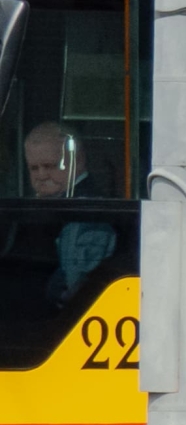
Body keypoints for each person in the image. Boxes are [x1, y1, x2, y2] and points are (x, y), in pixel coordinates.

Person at [21, 122, 119, 303]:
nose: (41, 175)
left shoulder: (85, 213)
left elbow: (75, 290)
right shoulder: (58, 203)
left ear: (78, 161)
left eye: (50, 166)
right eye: (34, 168)